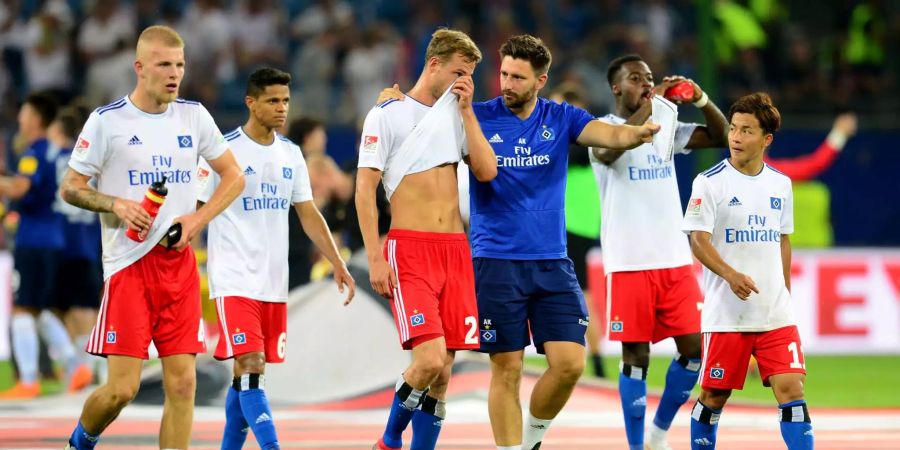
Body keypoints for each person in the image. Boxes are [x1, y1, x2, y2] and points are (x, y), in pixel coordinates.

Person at [377, 34, 658, 450]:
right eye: (504, 74)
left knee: (569, 364)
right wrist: (392, 102)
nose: (507, 83)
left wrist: (642, 130)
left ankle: (530, 440)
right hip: (496, 260)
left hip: (551, 261)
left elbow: (611, 136)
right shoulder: (473, 114)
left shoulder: (561, 117)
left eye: (518, 77)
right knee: (506, 369)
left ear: (540, 80)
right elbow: (416, 116)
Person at [59, 25, 245, 450]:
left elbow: (234, 177)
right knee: (121, 390)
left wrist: (197, 221)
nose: (174, 73)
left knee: (183, 385)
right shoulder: (108, 122)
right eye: (164, 64)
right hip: (129, 266)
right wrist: (116, 205)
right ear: (139, 68)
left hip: (178, 267)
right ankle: (81, 440)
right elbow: (70, 186)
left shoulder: (194, 116)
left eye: (179, 65)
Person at [356, 28, 497, 450]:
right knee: (428, 360)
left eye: (470, 75)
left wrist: (468, 110)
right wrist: (375, 258)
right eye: (458, 71)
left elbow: (487, 171)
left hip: (455, 250)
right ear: (433, 64)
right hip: (410, 249)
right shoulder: (387, 114)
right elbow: (364, 190)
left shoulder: (457, 115)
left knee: (444, 371)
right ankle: (387, 440)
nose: (463, 82)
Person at [202, 67, 356, 450]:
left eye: (285, 101)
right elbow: (197, 208)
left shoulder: (290, 154)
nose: (281, 108)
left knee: (247, 374)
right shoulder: (224, 151)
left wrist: (337, 261)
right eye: (272, 100)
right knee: (251, 364)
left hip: (273, 281)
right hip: (234, 275)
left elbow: (308, 212)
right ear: (250, 102)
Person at [590, 54, 728, 450]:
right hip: (629, 263)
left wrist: (700, 98)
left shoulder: (665, 125)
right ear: (616, 87)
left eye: (649, 78)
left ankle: (659, 432)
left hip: (674, 261)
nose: (646, 83)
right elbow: (608, 153)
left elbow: (717, 135)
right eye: (636, 79)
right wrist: (657, 102)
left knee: (695, 352)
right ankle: (636, 446)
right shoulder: (601, 129)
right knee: (636, 359)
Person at [682, 92, 812, 450]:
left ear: (766, 139)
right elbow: (697, 240)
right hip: (727, 315)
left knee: (792, 389)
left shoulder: (780, 185)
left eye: (747, 131)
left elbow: (783, 240)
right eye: (733, 129)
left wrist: (784, 291)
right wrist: (730, 275)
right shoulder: (709, 183)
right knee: (713, 395)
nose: (736, 137)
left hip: (775, 313)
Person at [0, 93, 91, 399]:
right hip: (53, 238)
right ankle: (73, 365)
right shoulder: (57, 153)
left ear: (37, 119)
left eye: (24, 113)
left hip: (35, 238)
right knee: (40, 307)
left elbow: (20, 187)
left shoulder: (35, 151)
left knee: (24, 309)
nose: (20, 119)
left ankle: (29, 379)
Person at [548, 85, 606, 379]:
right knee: (578, 292)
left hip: (572, 224)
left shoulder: (578, 141)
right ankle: (592, 359)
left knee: (577, 293)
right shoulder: (591, 137)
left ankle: (592, 360)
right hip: (579, 224)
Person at [49, 105, 105, 385]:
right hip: (93, 240)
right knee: (85, 307)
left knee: (71, 308)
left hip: (64, 242)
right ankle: (85, 368)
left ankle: (82, 368)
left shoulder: (60, 158)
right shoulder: (93, 160)